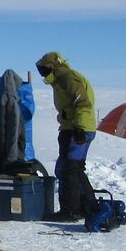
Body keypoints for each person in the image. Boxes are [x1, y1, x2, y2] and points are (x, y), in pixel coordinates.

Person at [36, 50, 98, 222]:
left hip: (78, 129)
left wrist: (80, 128)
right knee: (70, 168)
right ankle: (85, 207)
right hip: (71, 127)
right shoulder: (60, 79)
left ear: (52, 67)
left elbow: (82, 102)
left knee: (70, 169)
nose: (42, 74)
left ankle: (72, 211)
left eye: (43, 70)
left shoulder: (67, 78)